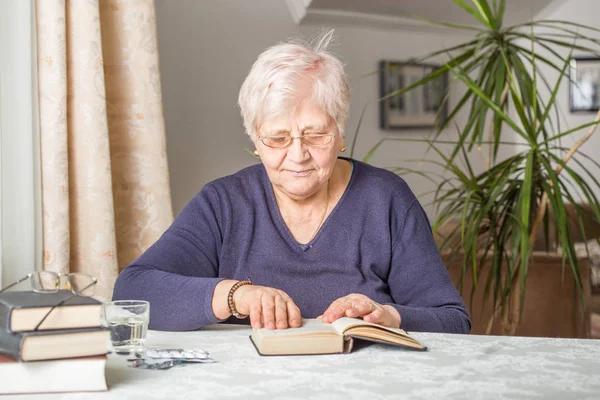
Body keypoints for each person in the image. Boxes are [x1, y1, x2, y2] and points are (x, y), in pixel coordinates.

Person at [112, 30, 471, 334]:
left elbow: (453, 319)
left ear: (340, 132)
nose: (297, 155)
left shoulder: (387, 199)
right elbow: (133, 290)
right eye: (277, 139)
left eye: (315, 135)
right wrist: (236, 295)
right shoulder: (223, 203)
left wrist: (388, 316)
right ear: (255, 140)